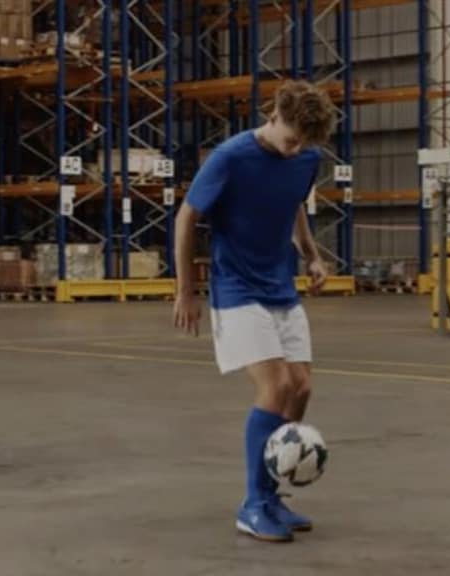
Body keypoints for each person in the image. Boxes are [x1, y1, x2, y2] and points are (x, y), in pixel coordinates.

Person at [172, 80, 333, 543]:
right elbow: (186, 218)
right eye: (291, 138)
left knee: (300, 389)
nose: (296, 149)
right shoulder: (230, 157)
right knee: (276, 385)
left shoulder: (305, 157)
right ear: (274, 116)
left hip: (280, 286)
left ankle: (270, 494)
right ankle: (252, 503)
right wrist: (186, 289)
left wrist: (311, 253)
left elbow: (295, 204)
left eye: (305, 143)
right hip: (236, 286)